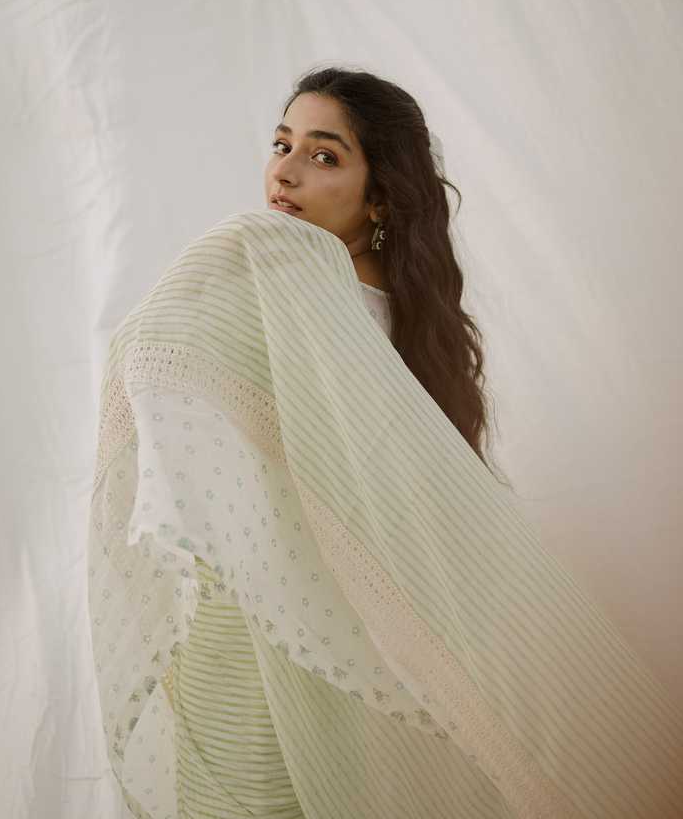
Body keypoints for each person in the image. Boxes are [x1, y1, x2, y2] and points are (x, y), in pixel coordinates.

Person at [88, 67, 683, 819]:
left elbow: (144, 351)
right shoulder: (388, 308)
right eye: (281, 144)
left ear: (380, 197)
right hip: (330, 630)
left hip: (276, 625)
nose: (285, 172)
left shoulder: (279, 269)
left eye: (324, 155)